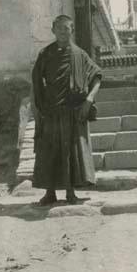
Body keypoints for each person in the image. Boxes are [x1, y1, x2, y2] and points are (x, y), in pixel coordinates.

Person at [31, 14, 102, 205]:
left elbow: (97, 77)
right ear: (53, 30)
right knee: (49, 151)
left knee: (71, 151)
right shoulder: (45, 54)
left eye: (67, 28)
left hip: (73, 110)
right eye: (60, 28)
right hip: (51, 110)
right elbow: (36, 82)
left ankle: (71, 192)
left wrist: (88, 100)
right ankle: (50, 192)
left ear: (72, 30)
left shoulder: (80, 55)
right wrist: (38, 109)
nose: (63, 31)